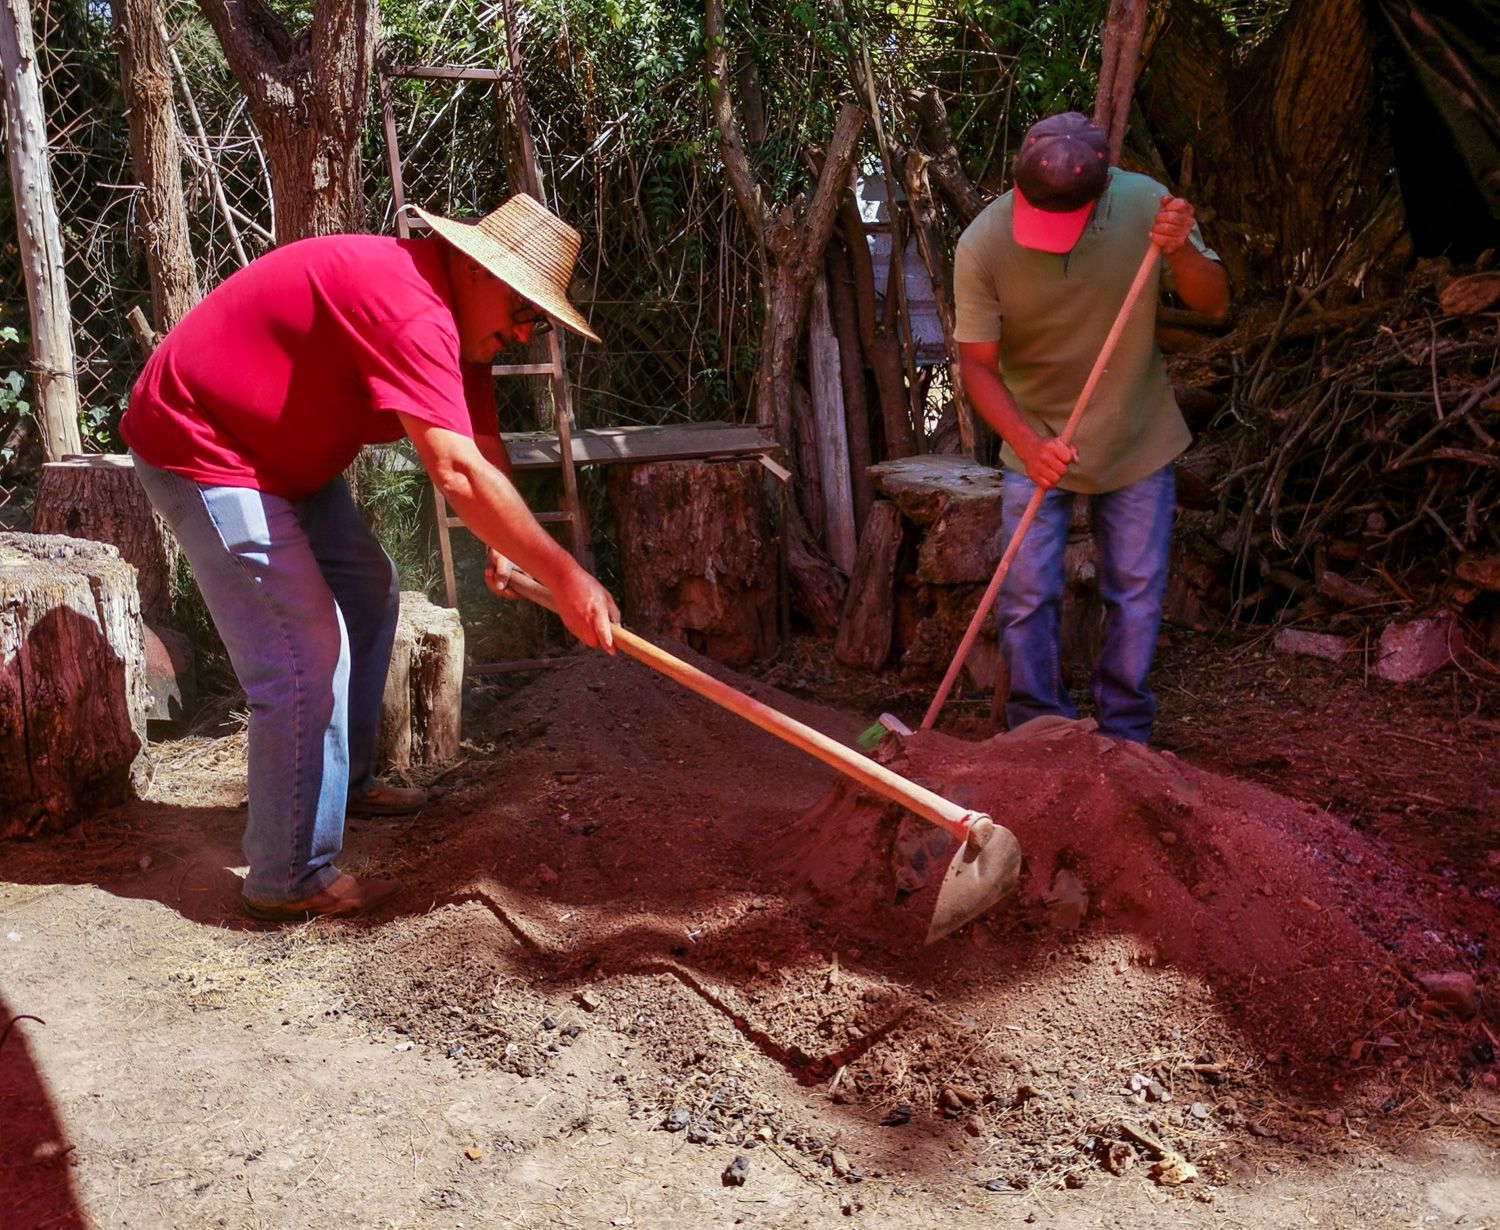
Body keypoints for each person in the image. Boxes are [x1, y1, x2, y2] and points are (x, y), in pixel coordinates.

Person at [121, 193, 618, 921]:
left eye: (536, 320)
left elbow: (480, 448)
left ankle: (338, 785)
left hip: (283, 460)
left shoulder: (458, 322)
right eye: (523, 310)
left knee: (367, 591)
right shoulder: (413, 308)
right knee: (303, 650)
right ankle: (289, 874)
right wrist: (566, 575)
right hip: (204, 443)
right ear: (477, 272)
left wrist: (504, 547)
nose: (524, 330)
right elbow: (453, 473)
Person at [953, 112, 1230, 744]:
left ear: (1102, 191)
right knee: (1026, 596)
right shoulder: (984, 244)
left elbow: (1214, 302)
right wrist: (1027, 443)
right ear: (1017, 181)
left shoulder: (1145, 207)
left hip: (1136, 433)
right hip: (1035, 440)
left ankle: (1124, 736)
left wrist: (1181, 248)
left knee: (1134, 595)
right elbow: (976, 366)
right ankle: (1040, 733)